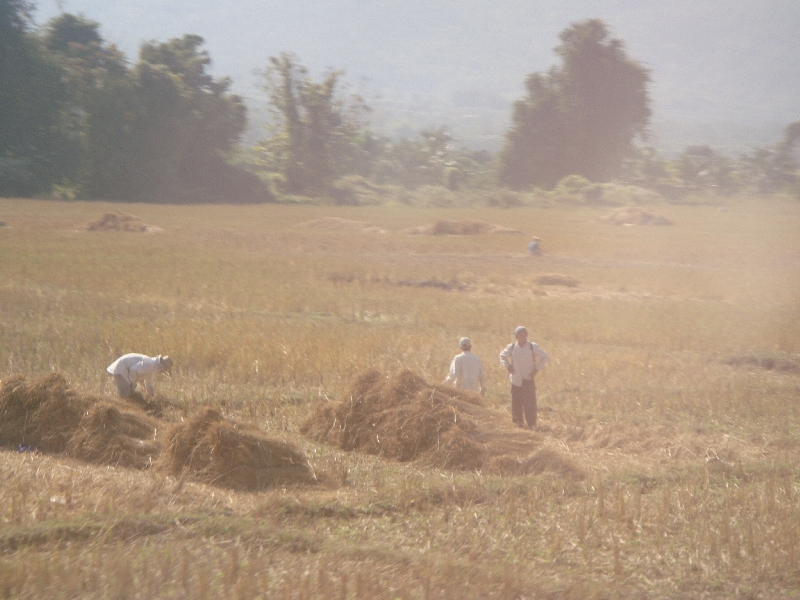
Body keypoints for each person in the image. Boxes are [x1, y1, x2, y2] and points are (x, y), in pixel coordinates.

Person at [499, 326, 549, 429]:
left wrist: (536, 370)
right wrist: (508, 366)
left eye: (524, 334)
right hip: (516, 380)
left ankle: (531, 424)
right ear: (516, 336)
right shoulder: (512, 347)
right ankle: (518, 424)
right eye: (519, 334)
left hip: (528, 379)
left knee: (529, 403)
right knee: (516, 402)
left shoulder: (532, 346)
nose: (522, 336)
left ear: (527, 335)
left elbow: (545, 357)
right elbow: (502, 355)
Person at [106, 353, 173, 399]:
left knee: (130, 393)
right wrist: (133, 381)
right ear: (161, 367)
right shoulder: (150, 364)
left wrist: (152, 396)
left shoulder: (152, 367)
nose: (161, 373)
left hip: (126, 370)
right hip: (122, 368)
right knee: (125, 395)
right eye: (162, 371)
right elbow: (133, 369)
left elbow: (148, 384)